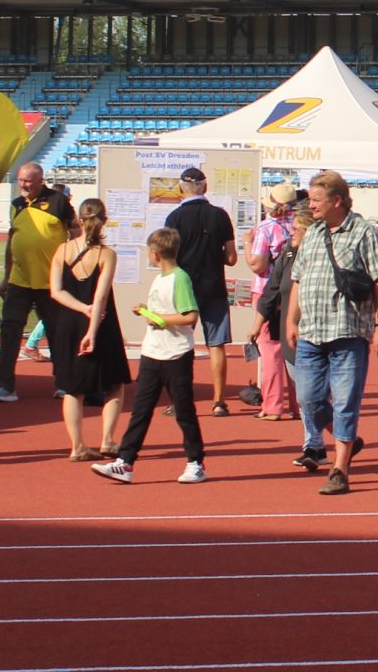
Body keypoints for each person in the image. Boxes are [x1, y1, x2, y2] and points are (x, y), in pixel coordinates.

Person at [284, 170, 378, 494]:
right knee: (309, 400)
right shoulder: (314, 233)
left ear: (337, 201)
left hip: (347, 330)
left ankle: (340, 468)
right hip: (311, 332)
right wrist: (292, 320)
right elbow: (298, 280)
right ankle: (348, 437)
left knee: (345, 401)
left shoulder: (362, 232)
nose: (311, 205)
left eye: (317, 200)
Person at [91, 225, 207, 485]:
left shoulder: (180, 278)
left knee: (184, 412)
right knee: (140, 411)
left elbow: (190, 316)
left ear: (155, 253)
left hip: (176, 354)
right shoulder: (159, 279)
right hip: (152, 352)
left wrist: (160, 320)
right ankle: (125, 462)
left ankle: (196, 463)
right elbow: (161, 310)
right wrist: (146, 311)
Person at [51, 196, 130, 460]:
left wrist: (79, 308)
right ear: (104, 221)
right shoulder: (106, 254)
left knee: (73, 388)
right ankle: (107, 439)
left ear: (79, 220)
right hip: (101, 322)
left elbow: (56, 291)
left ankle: (77, 445)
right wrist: (92, 329)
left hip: (68, 322)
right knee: (115, 382)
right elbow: (100, 296)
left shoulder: (62, 250)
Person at [162, 168, 240, 414]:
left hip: (184, 287)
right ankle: (219, 401)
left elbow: (168, 258)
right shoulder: (220, 215)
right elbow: (231, 258)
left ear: (181, 189)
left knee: (179, 345)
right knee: (216, 344)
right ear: (205, 188)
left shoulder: (174, 217)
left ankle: (179, 401)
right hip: (213, 286)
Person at [0, 163, 68, 404]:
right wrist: (6, 276)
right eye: (20, 180)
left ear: (40, 180)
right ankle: (5, 387)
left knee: (58, 333)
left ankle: (64, 384)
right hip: (19, 281)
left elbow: (76, 236)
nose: (23, 185)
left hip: (51, 283)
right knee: (9, 330)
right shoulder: (16, 206)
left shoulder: (58, 202)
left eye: (28, 181)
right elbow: (11, 240)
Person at [244, 184, 299, 418]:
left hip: (267, 289)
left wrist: (247, 244)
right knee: (293, 346)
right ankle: (298, 405)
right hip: (293, 291)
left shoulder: (265, 228)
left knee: (270, 349)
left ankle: (273, 405)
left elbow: (258, 264)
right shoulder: (300, 227)